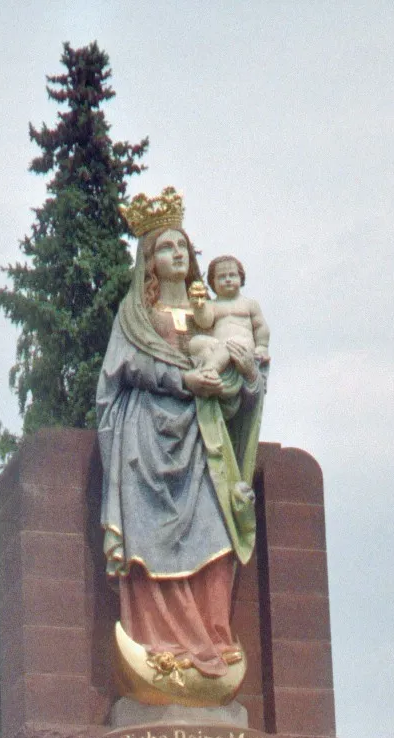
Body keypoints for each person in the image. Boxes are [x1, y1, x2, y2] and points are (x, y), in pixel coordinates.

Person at [96, 192, 266, 685]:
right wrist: (181, 381)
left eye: (182, 247)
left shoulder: (207, 317)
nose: (177, 255)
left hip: (202, 439)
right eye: (165, 247)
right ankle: (160, 645)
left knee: (216, 538)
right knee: (150, 540)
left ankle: (213, 640)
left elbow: (238, 384)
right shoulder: (134, 317)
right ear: (148, 260)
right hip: (146, 439)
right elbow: (121, 370)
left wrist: (232, 380)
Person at [187, 255, 271, 381]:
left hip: (241, 345)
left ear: (241, 277)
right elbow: (205, 322)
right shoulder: (212, 305)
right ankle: (219, 367)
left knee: (229, 345)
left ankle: (211, 369)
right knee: (196, 342)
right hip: (219, 344)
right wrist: (199, 307)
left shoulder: (249, 304)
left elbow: (260, 327)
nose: (227, 279)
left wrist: (262, 346)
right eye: (222, 277)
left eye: (232, 275)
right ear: (212, 282)